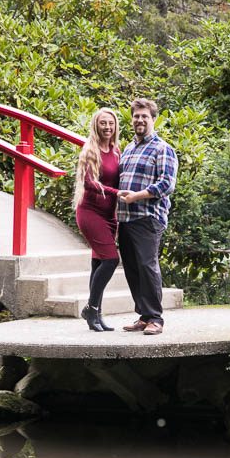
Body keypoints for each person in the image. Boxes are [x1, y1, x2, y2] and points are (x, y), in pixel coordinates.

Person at [116, 99, 178, 336]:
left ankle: (155, 319)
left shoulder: (163, 148)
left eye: (145, 116)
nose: (140, 120)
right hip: (126, 218)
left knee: (147, 266)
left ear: (153, 119)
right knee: (132, 268)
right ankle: (143, 315)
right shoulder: (129, 148)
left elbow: (166, 185)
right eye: (136, 116)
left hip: (148, 217)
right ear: (131, 119)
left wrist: (137, 196)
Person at [74, 108, 121, 331]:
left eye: (110, 123)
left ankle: (96, 316)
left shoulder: (116, 151)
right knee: (111, 260)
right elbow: (90, 183)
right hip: (90, 213)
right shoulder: (90, 151)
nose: (107, 127)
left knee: (98, 263)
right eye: (103, 123)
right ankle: (91, 309)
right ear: (96, 125)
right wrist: (116, 193)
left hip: (109, 215)